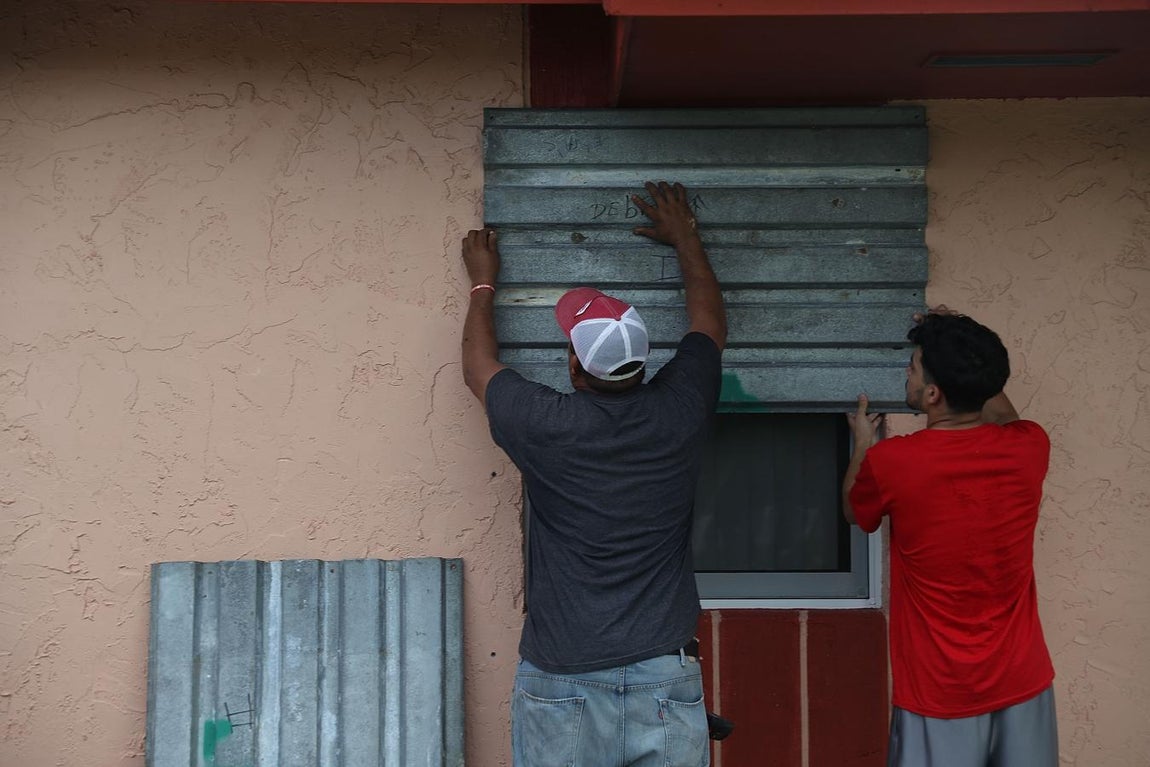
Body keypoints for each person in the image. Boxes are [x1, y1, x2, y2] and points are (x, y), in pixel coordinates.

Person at [460, 181, 726, 767]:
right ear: (643, 362)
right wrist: (686, 238)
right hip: (664, 674)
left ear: (576, 365)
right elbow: (708, 325)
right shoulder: (681, 407)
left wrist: (482, 282)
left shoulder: (546, 425)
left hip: (563, 679)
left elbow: (478, 367)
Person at [842, 308, 1058, 767]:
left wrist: (861, 443)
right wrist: (962, 341)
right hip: (1023, 682)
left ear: (933, 394)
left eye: (914, 367)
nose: (906, 372)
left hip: (939, 694)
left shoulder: (892, 463)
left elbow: (854, 513)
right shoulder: (1029, 446)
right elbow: (1003, 414)